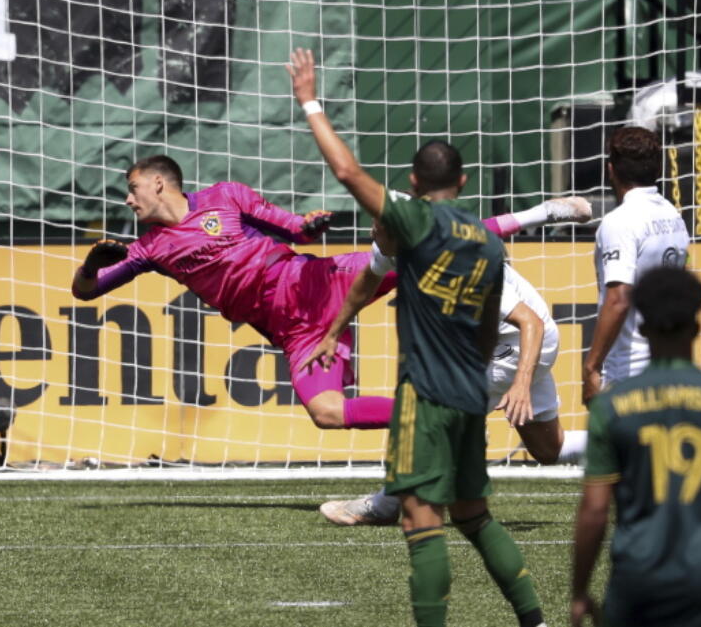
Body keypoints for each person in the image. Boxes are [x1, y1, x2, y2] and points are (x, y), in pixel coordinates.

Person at [288, 47, 546, 627]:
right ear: (462, 180)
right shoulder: (486, 240)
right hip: (468, 396)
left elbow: (348, 173)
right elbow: (487, 325)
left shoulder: (411, 221)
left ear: (411, 182)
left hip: (424, 400)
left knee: (420, 521)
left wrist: (309, 99)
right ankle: (536, 620)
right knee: (475, 517)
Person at [72, 156, 587, 433]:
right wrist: (92, 265)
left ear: (160, 184)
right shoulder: (146, 249)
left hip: (322, 282)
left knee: (433, 244)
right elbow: (86, 293)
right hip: (295, 331)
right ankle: (435, 415)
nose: (128, 198)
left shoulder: (224, 196)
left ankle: (542, 212)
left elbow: (289, 227)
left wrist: (308, 225)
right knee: (326, 413)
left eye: (132, 188)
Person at [571, 266, 701, 627]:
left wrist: (580, 590)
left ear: (643, 328)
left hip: (636, 580)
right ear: (697, 327)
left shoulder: (612, 407)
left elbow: (595, 511)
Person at [316, 259, 588, 526]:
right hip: (494, 340)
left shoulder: (457, 264)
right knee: (548, 448)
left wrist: (521, 382)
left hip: (522, 341)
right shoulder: (391, 241)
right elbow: (368, 281)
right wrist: (333, 333)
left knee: (433, 417)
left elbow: (531, 323)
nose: (374, 227)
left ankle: (384, 505)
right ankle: (623, 441)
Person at [583, 126, 689, 405]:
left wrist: (591, 367)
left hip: (629, 372)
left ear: (611, 170)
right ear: (658, 168)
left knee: (620, 447)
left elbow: (618, 299)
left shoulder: (620, 222)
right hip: (667, 363)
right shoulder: (672, 215)